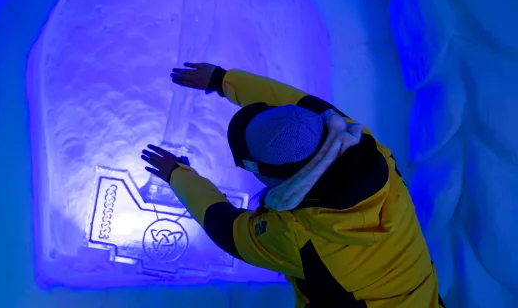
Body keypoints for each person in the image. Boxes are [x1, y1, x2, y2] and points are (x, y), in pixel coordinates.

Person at [141, 63, 445, 308]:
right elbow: (295, 105)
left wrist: (176, 174)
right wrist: (222, 80)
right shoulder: (362, 144)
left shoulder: (295, 235)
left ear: (267, 175)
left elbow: (226, 228)